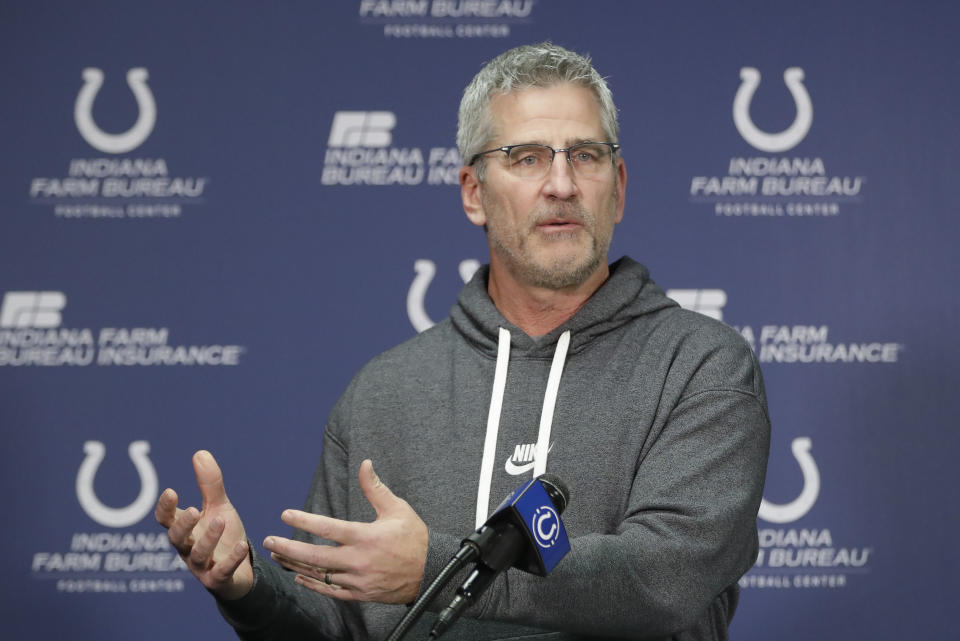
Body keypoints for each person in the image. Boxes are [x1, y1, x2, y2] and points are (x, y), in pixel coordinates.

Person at [156, 42, 770, 641]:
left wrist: (434, 567)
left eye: (585, 155)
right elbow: (337, 622)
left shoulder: (701, 367)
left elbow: (662, 580)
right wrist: (248, 591)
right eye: (527, 157)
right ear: (474, 192)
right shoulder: (383, 391)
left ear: (620, 186)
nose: (562, 183)